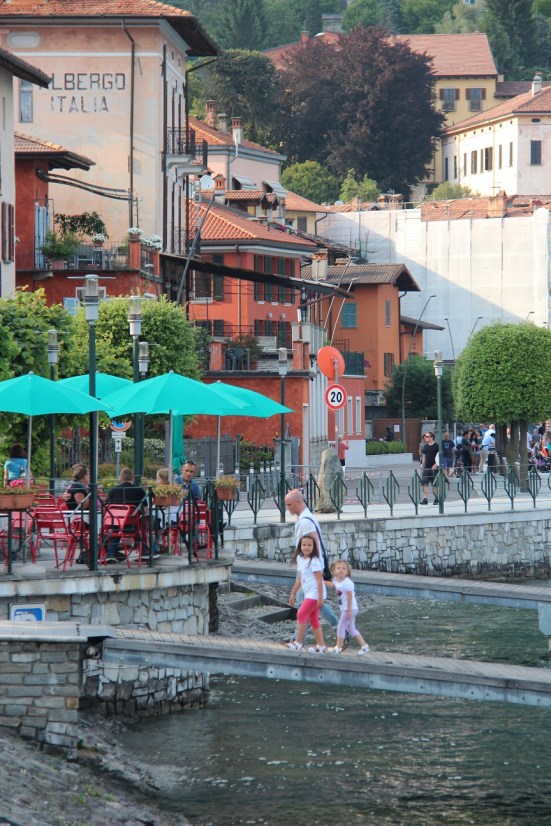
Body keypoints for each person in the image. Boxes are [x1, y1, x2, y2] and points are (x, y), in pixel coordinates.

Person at [284, 489, 340, 642]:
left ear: (298, 502)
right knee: (310, 604)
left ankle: (298, 640)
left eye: (289, 504)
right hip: (306, 565)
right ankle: (300, 640)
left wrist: (314, 567)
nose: (287, 508)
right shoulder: (304, 518)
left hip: (310, 567)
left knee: (307, 603)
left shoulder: (306, 521)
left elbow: (314, 544)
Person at [287, 533, 327, 653]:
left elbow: (319, 580)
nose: (306, 547)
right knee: (313, 618)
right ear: (300, 546)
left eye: (309, 545)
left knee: (301, 614)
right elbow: (300, 579)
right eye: (304, 545)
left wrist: (320, 598)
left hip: (315, 593)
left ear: (313, 547)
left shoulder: (314, 561)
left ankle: (298, 643)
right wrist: (293, 593)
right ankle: (321, 646)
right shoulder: (301, 560)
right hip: (308, 593)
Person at [326, 559, 370, 655]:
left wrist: (349, 611)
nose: (341, 570)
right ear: (334, 570)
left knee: (340, 627)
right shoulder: (337, 580)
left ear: (347, 571)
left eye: (344, 569)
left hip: (350, 608)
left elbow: (350, 598)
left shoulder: (348, 583)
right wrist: (321, 581)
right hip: (346, 609)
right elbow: (332, 585)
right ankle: (364, 646)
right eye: (338, 568)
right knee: (351, 629)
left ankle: (338, 647)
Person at [104, 468, 147, 563]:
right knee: (141, 528)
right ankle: (144, 552)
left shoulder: (113, 491)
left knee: (116, 529)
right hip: (133, 526)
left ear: (120, 478)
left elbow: (106, 509)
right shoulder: (139, 490)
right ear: (133, 478)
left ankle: (110, 554)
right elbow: (145, 510)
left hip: (116, 525)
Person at [420, 431, 439, 505]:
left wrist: (436, 464)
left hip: (434, 468)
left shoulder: (437, 446)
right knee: (424, 483)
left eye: (427, 436)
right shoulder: (425, 446)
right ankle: (425, 499)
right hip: (426, 468)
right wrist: (422, 466)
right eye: (425, 436)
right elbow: (424, 457)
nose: (425, 438)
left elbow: (440, 456)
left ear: (431, 438)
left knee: (435, 484)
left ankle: (436, 498)